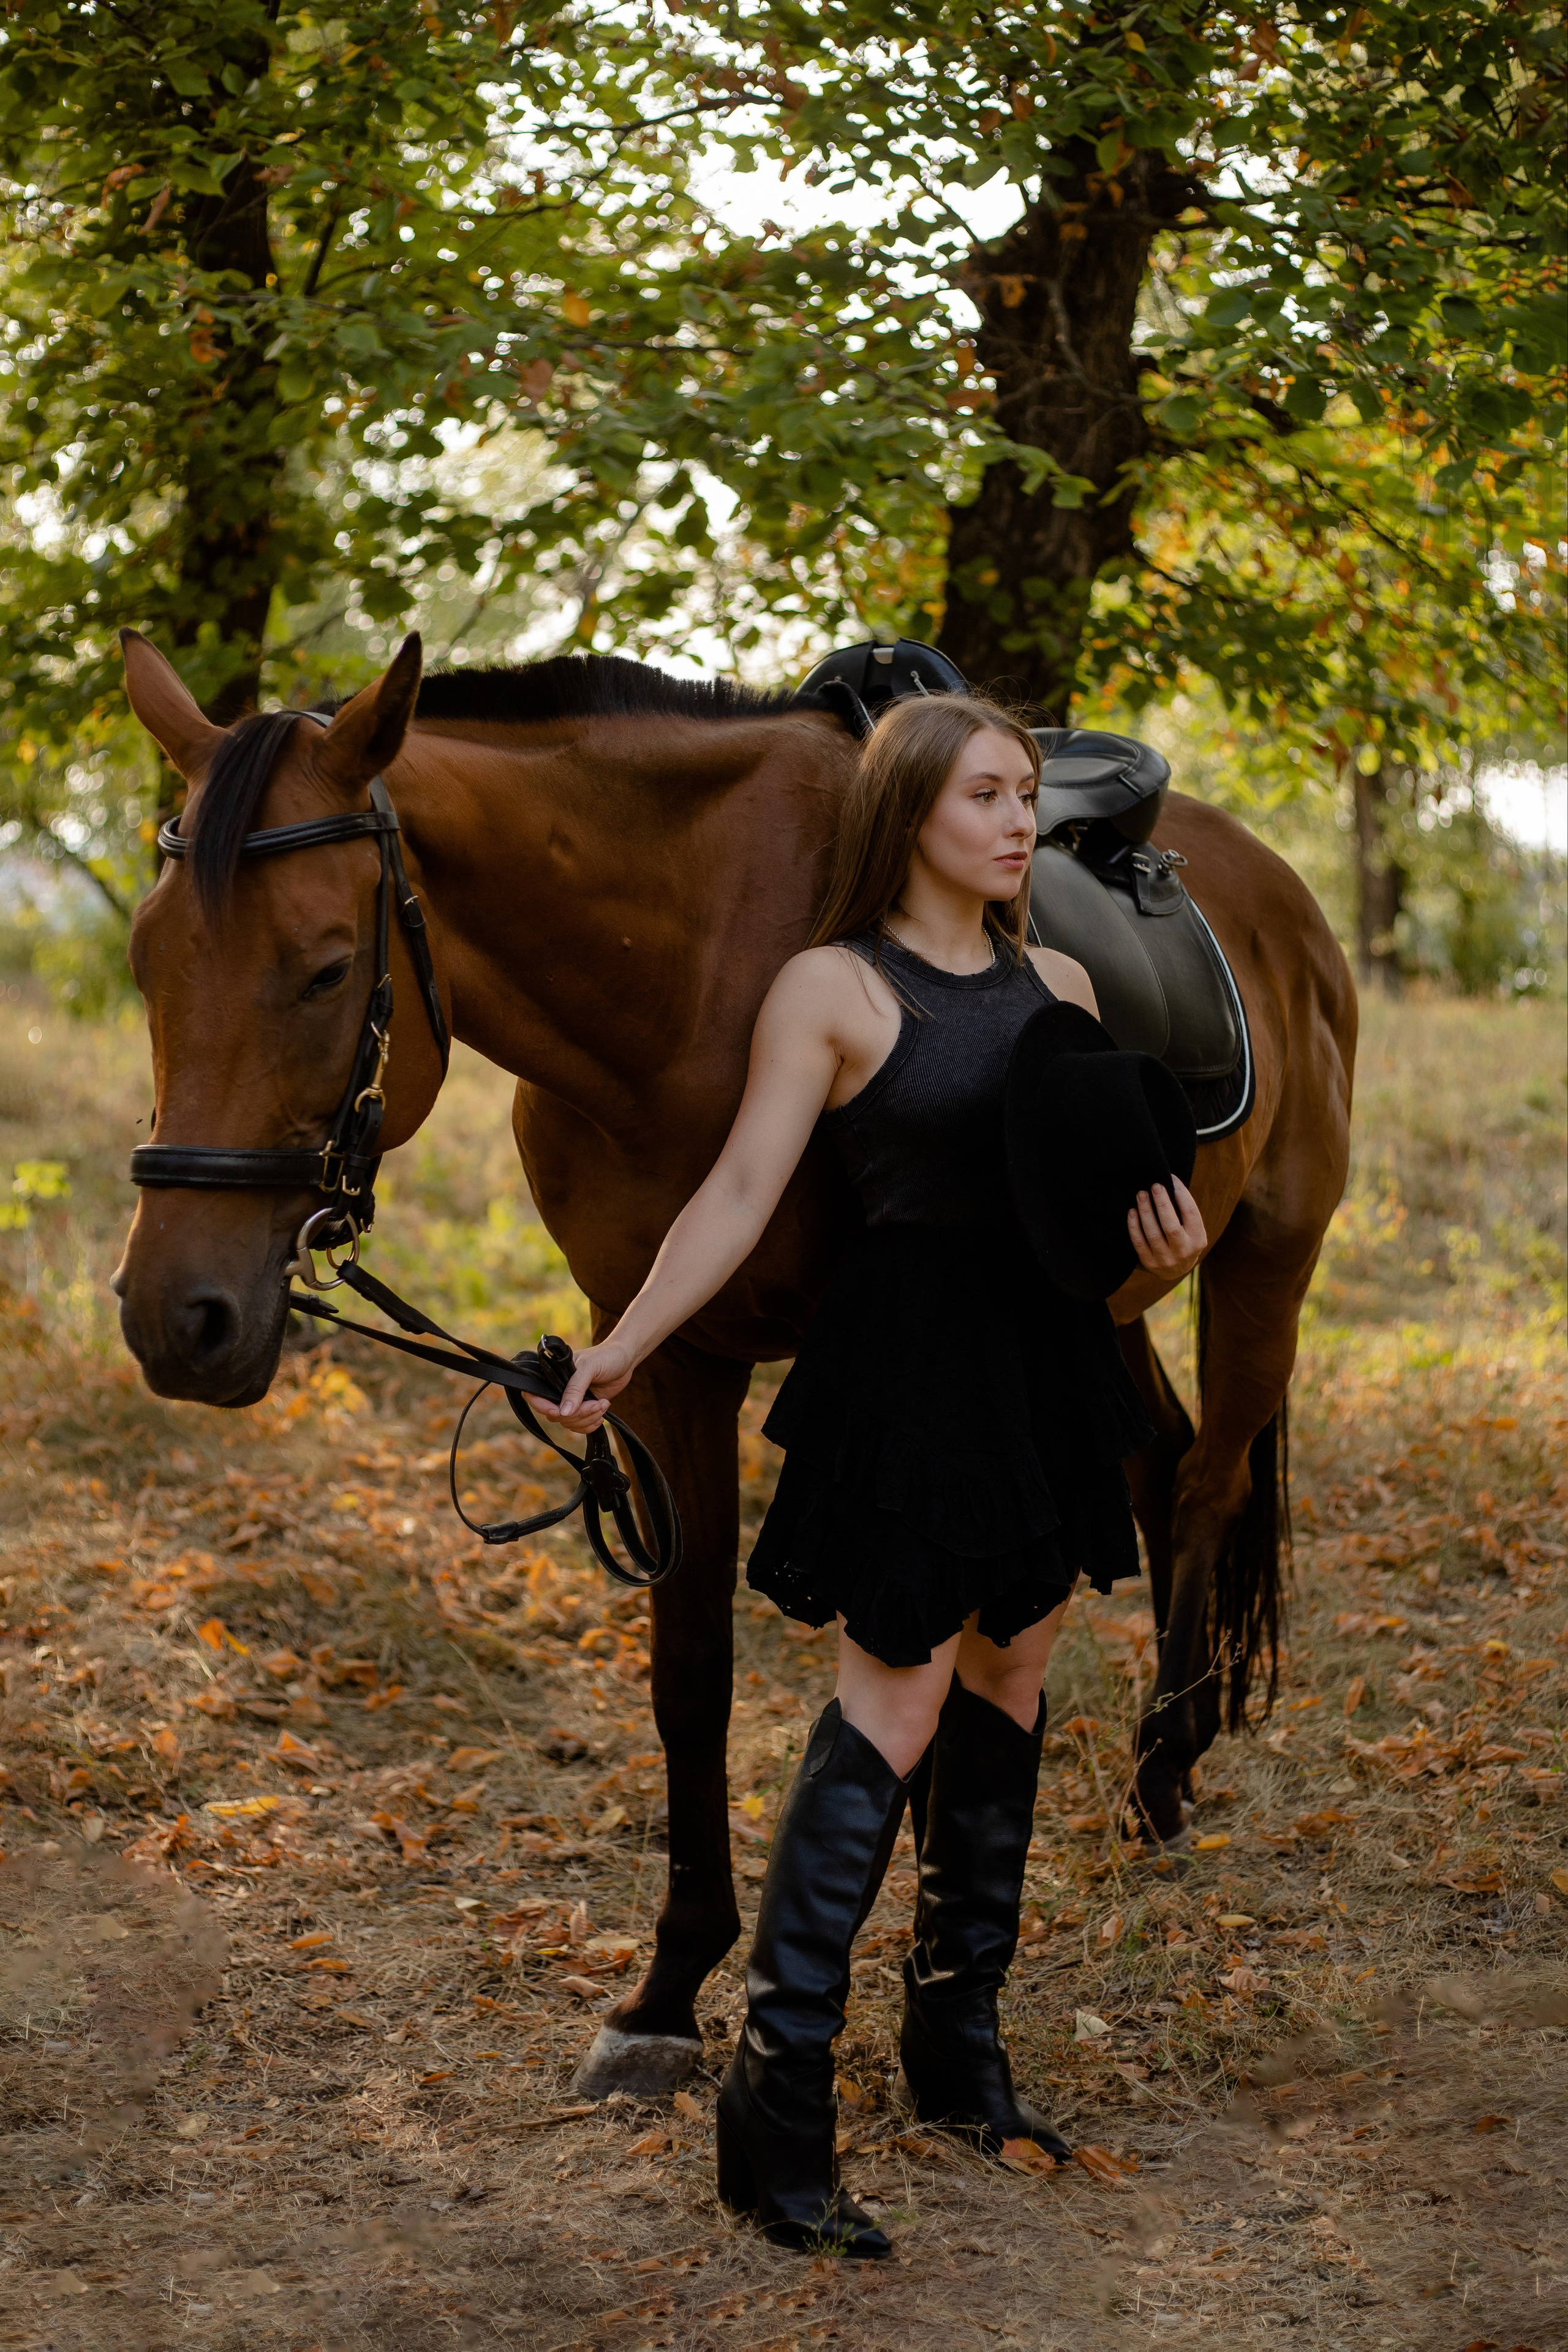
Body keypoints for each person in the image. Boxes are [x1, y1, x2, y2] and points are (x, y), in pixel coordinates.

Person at [535, 693, 1207, 2256]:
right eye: (984, 794)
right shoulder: (829, 991)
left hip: (1042, 1358)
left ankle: (957, 2046)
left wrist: (1153, 1258)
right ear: (910, 810)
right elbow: (742, 1188)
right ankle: (778, 2102)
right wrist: (622, 1345)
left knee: (1014, 1669)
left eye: (1027, 795)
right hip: (905, 1370)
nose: (1015, 819)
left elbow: (1081, 1200)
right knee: (890, 1707)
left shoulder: (1061, 976)